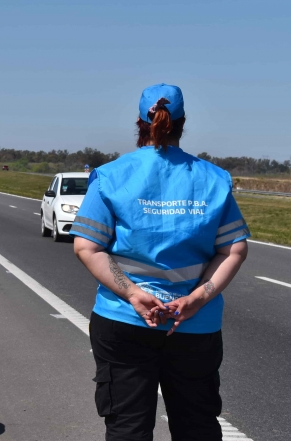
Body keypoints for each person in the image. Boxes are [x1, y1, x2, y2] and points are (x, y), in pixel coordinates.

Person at [71, 84, 249, 441]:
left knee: (127, 428)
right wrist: (196, 300)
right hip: (195, 327)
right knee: (197, 426)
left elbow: (87, 247)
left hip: (124, 320)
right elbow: (233, 250)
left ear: (140, 122)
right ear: (182, 124)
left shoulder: (111, 176)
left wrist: (135, 295)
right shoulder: (214, 179)